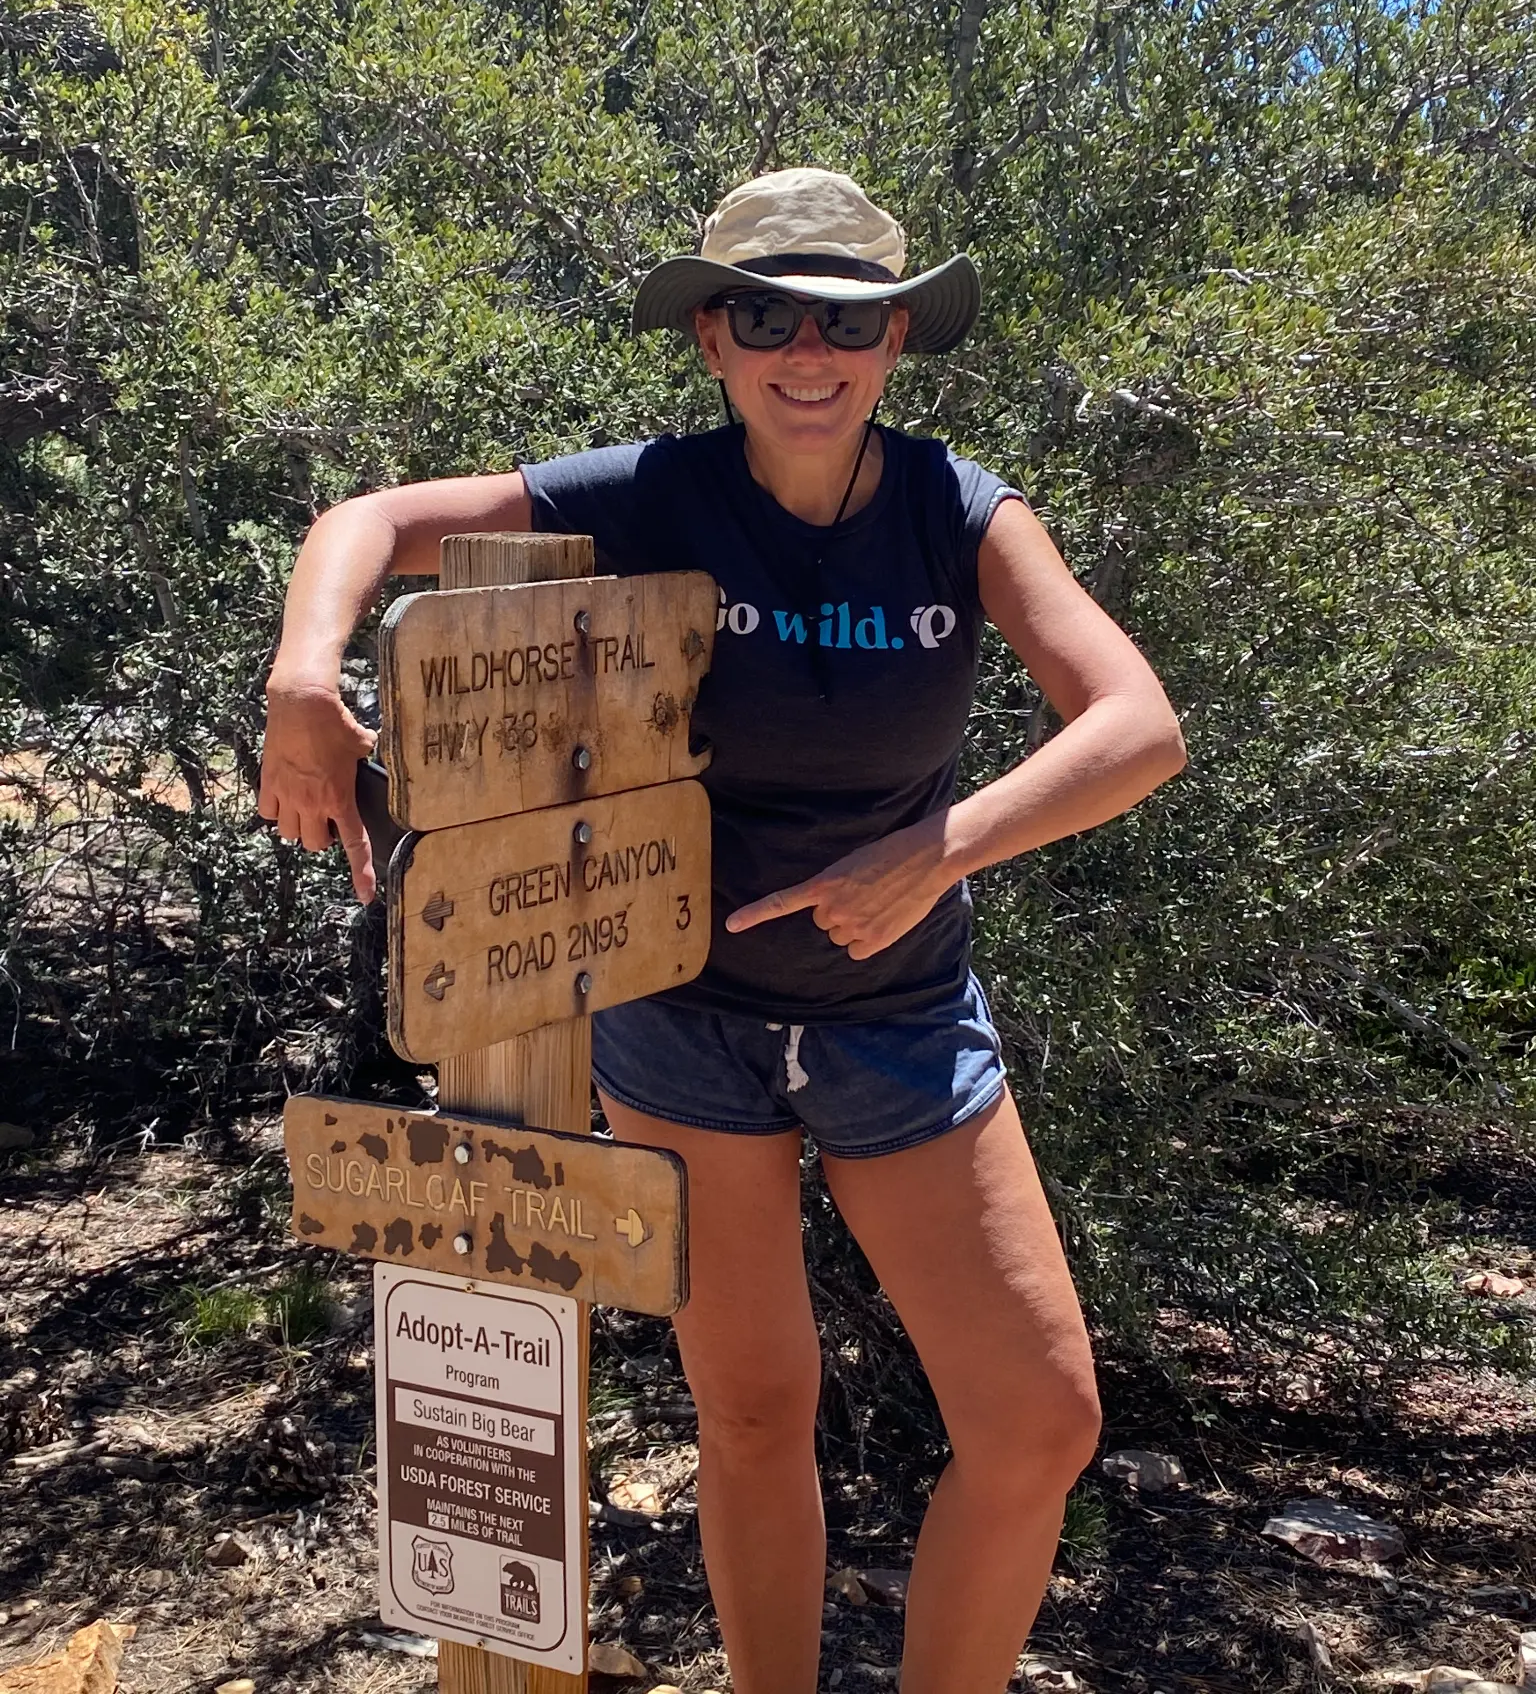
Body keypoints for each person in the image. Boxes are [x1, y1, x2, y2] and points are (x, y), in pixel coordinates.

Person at [260, 167, 1187, 1694]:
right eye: (767, 316)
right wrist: (309, 679)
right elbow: (368, 520)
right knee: (754, 1413)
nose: (807, 353)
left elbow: (1139, 724)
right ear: (712, 340)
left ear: (898, 343)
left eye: (849, 320)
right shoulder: (654, 495)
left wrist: (937, 851)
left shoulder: (963, 516)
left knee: (1040, 1421)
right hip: (682, 1019)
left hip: (901, 1020)